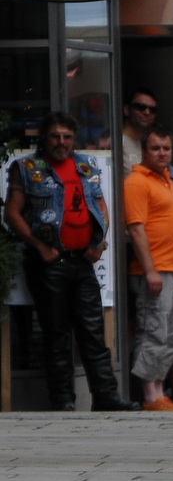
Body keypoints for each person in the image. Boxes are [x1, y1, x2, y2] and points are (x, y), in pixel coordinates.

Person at [4, 112, 131, 411]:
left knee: (93, 332)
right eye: (55, 136)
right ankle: (63, 400)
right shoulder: (26, 168)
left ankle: (106, 396)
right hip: (48, 262)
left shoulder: (86, 165)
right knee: (56, 332)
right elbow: (12, 213)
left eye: (67, 136)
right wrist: (39, 246)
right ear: (44, 139)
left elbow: (100, 204)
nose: (62, 142)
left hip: (82, 260)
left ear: (74, 139)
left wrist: (98, 244)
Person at [124, 124, 173, 411]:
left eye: (166, 148)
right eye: (155, 148)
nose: (162, 153)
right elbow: (136, 229)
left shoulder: (167, 180)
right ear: (144, 151)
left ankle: (160, 392)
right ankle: (150, 396)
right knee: (154, 329)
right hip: (155, 270)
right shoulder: (136, 182)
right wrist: (150, 269)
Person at [119, 87, 158, 175]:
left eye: (152, 110)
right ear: (127, 109)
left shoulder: (150, 145)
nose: (147, 112)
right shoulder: (117, 142)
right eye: (141, 107)